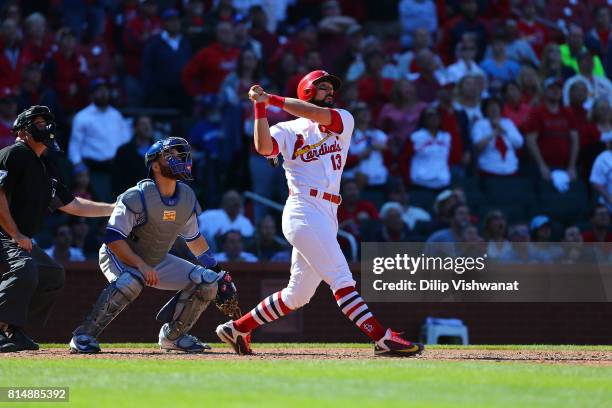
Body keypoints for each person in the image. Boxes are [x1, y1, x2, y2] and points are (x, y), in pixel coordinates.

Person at [215, 70, 424, 357]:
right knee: (341, 277)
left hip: (327, 212)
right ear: (306, 91)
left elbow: (319, 115)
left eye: (330, 89)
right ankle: (381, 338)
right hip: (303, 210)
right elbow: (263, 147)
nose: (330, 92)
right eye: (322, 88)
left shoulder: (343, 119)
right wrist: (260, 107)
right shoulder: (288, 129)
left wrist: (272, 98)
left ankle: (238, 327)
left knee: (297, 295)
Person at [69, 137, 238, 354]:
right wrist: (141, 265)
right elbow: (113, 239)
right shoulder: (136, 196)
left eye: (179, 155)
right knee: (129, 282)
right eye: (170, 156)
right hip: (118, 255)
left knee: (207, 281)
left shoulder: (187, 196)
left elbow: (194, 239)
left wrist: (217, 271)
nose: (178, 159)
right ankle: (83, 336)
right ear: (155, 166)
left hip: (155, 259)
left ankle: (173, 337)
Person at [0, 105, 115, 353]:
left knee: (52, 273)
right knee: (24, 268)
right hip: (5, 233)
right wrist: (16, 234)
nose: (47, 127)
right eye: (40, 123)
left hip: (20, 237)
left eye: (48, 122)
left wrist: (113, 208)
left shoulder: (46, 164)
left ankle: (13, 329)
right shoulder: (13, 153)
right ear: (23, 131)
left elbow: (71, 204)